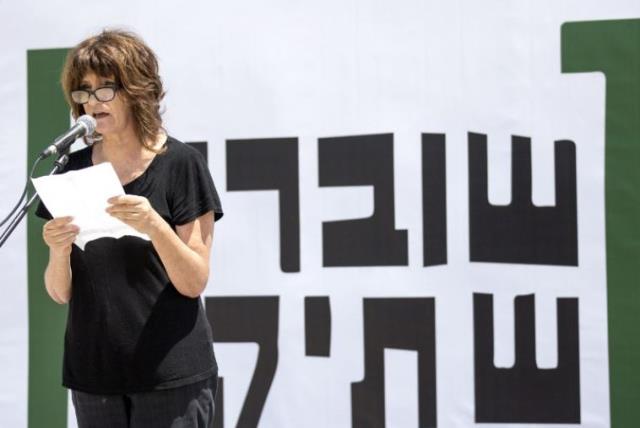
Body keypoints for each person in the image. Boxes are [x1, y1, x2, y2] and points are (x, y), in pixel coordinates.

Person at [36, 29, 223, 427]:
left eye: (105, 88)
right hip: (94, 375)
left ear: (138, 89)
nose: (91, 101)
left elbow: (194, 281)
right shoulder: (70, 170)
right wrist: (58, 249)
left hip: (169, 374)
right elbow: (58, 291)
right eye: (83, 91)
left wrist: (154, 224)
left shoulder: (181, 164)